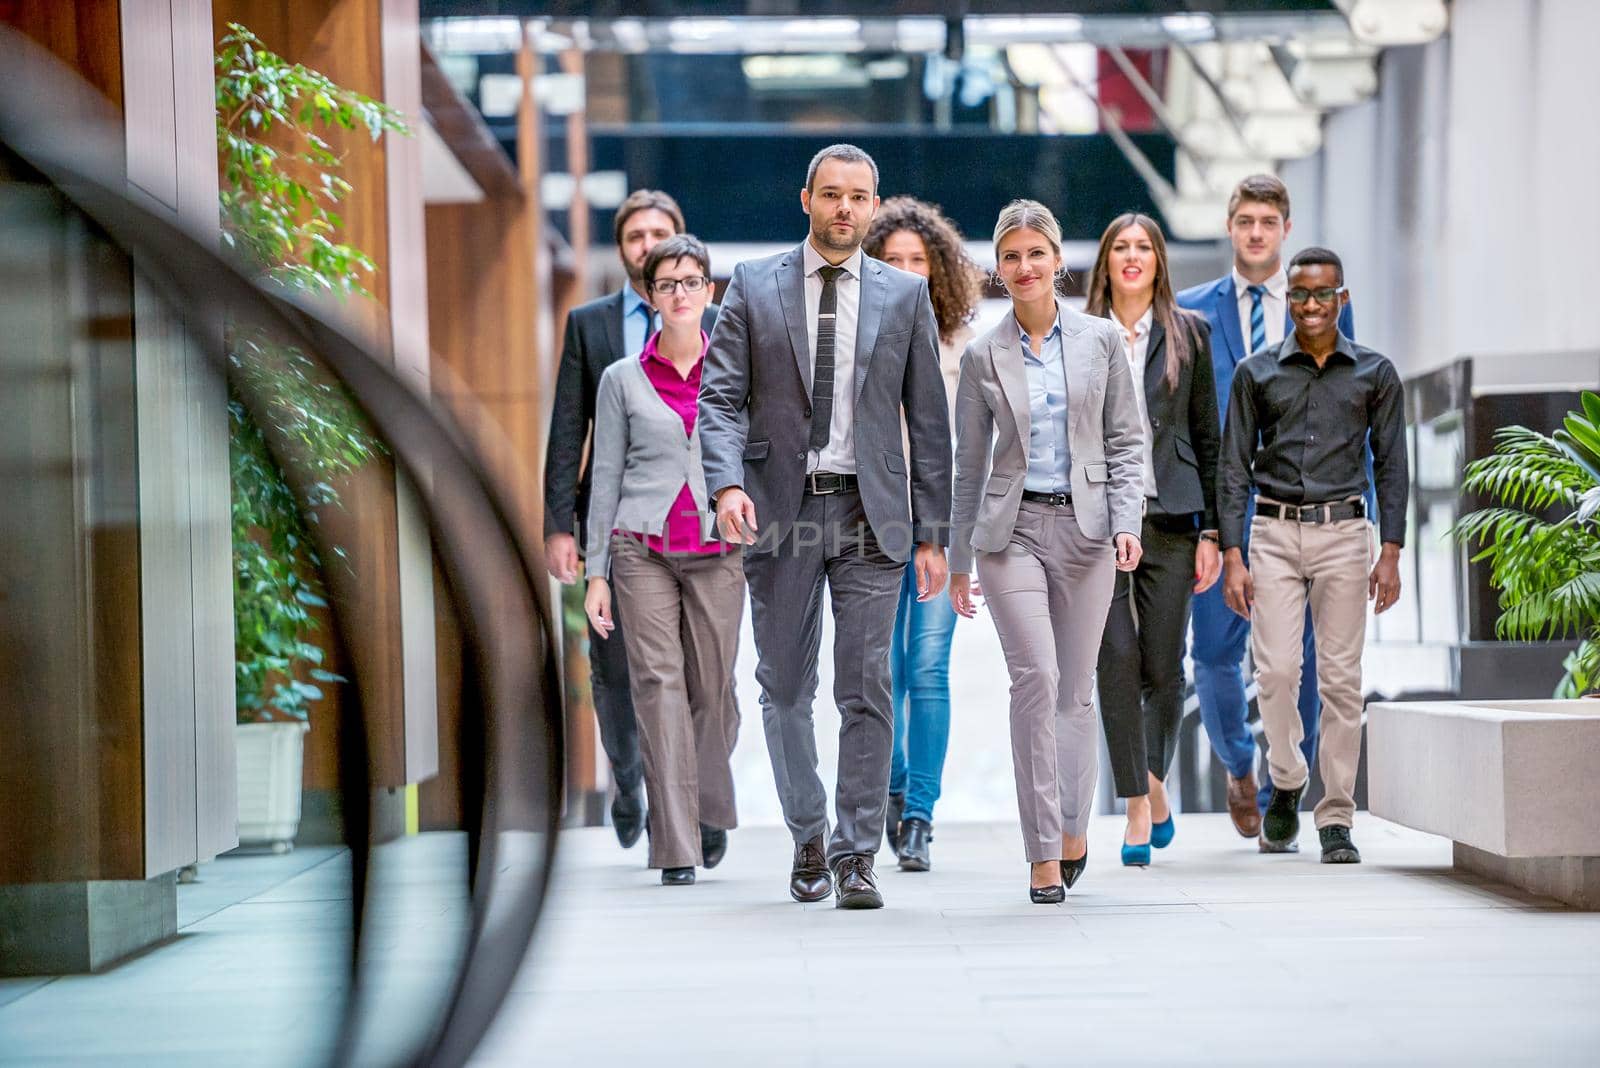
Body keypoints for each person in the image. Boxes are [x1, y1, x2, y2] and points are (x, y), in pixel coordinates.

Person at [698, 144, 952, 910]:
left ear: (874, 209)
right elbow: (719, 400)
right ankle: (807, 832)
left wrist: (934, 533)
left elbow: (930, 423)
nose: (846, 208)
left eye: (860, 196)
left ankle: (854, 854)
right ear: (805, 198)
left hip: (871, 514)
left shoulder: (904, 298)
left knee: (867, 686)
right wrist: (724, 487)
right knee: (782, 685)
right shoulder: (751, 284)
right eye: (832, 194)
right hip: (781, 510)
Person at [948, 199, 1145, 904]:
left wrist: (1129, 522)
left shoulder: (1100, 341)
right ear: (997, 270)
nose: (1025, 267)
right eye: (1010, 256)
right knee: (1033, 679)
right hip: (1011, 534)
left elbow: (1127, 439)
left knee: (1074, 692)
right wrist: (959, 561)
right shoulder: (982, 355)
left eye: (1036, 253)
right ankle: (1039, 853)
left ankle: (1072, 828)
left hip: (1089, 533)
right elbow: (968, 466)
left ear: (1058, 260)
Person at [1176, 174, 1355, 837]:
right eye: (1245, 220)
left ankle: (1292, 778)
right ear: (1230, 227)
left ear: (1285, 228)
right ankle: (1238, 762)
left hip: (1300, 503)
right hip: (1218, 509)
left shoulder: (1322, 307)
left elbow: (1351, 410)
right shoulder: (1192, 311)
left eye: (1267, 221)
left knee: (1298, 656)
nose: (1255, 231)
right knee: (1216, 653)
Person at [1218, 247, 1407, 863]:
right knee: (1273, 674)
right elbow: (1233, 468)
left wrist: (1391, 551)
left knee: (1341, 682)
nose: (1312, 304)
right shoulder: (1257, 372)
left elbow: (1392, 466)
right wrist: (1233, 555)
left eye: (1323, 294)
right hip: (1272, 534)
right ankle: (1287, 775)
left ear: (1341, 299)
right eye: (1300, 294)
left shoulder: (1375, 374)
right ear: (1288, 300)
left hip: (1346, 535)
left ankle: (1336, 817)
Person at [543, 190, 718, 850]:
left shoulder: (717, 324)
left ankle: (697, 806)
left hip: (698, 526)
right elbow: (568, 428)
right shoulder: (591, 324)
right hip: (615, 518)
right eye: (636, 237)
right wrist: (561, 524)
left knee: (695, 670)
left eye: (659, 233)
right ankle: (629, 774)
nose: (647, 245)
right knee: (616, 668)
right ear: (622, 251)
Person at [583, 234, 743, 886]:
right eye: (667, 283)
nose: (680, 292)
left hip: (717, 550)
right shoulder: (620, 379)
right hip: (639, 548)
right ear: (650, 295)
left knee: (715, 691)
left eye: (692, 280)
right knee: (658, 687)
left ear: (710, 292)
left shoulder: (733, 371)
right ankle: (674, 841)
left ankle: (707, 802)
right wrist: (597, 572)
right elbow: (606, 477)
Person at [1083, 213, 1222, 867]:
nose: (1132, 257)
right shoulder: (1078, 335)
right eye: (1121, 247)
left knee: (1163, 668)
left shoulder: (1191, 333)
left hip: (1171, 517)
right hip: (1098, 520)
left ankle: (1153, 785)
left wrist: (1215, 532)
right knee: (1115, 661)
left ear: (1160, 261)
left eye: (1144, 247)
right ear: (1106, 261)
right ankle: (1139, 802)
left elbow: (1209, 437)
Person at [861, 197, 983, 873]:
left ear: (937, 269)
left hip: (947, 524)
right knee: (882, 668)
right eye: (893, 261)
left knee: (928, 665)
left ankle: (918, 816)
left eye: (918, 260)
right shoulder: (857, 337)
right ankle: (893, 782)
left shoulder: (963, 344)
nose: (907, 272)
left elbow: (978, 444)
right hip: (874, 524)